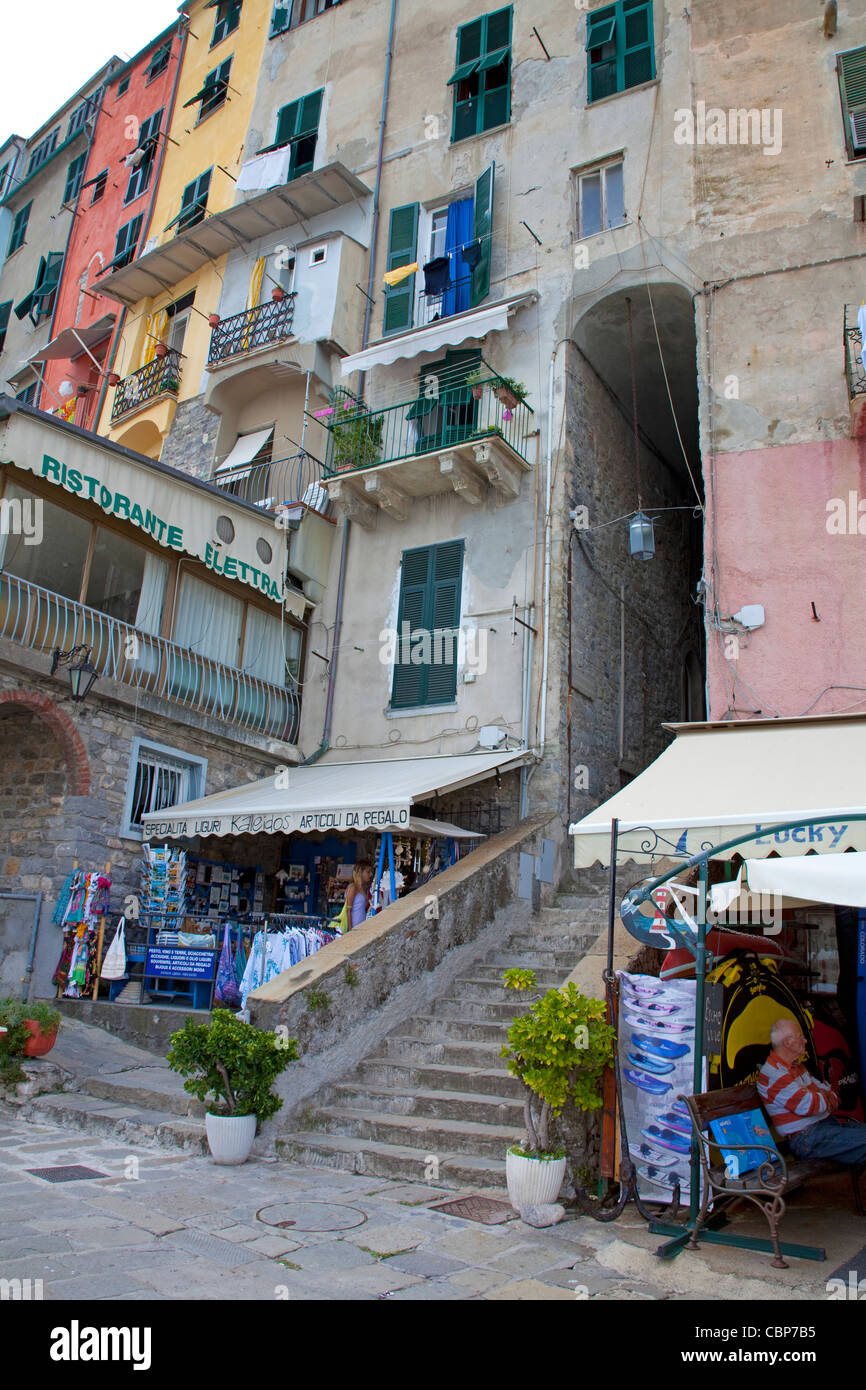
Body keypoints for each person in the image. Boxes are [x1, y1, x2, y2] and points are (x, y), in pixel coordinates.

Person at [757, 1018, 866, 1165]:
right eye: (800, 1036)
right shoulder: (773, 1074)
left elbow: (831, 1093)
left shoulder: (797, 1067)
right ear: (787, 1042)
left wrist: (818, 1095)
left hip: (825, 1128)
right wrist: (820, 1096)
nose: (805, 1041)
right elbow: (809, 1105)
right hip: (808, 1138)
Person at [344, 860, 373, 931]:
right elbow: (348, 911)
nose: (371, 874)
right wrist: (350, 930)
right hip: (354, 927)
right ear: (360, 873)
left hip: (361, 926)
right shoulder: (353, 888)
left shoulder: (363, 889)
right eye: (368, 872)